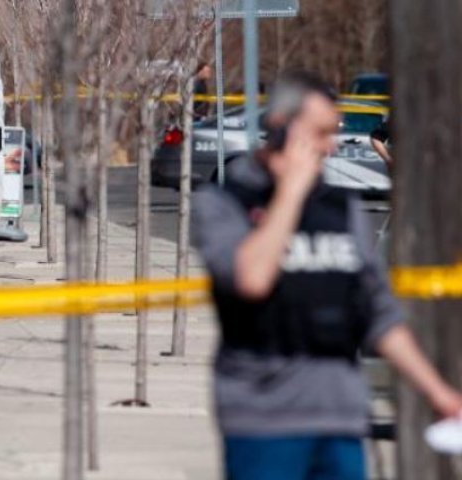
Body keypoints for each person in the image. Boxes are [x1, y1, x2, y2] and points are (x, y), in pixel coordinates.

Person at [193, 72, 462, 480]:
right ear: (281, 128)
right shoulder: (225, 202)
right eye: (320, 133)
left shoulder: (341, 209)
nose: (330, 145)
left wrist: (439, 394)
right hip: (264, 418)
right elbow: (251, 279)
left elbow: (377, 313)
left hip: (341, 415)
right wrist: (290, 194)